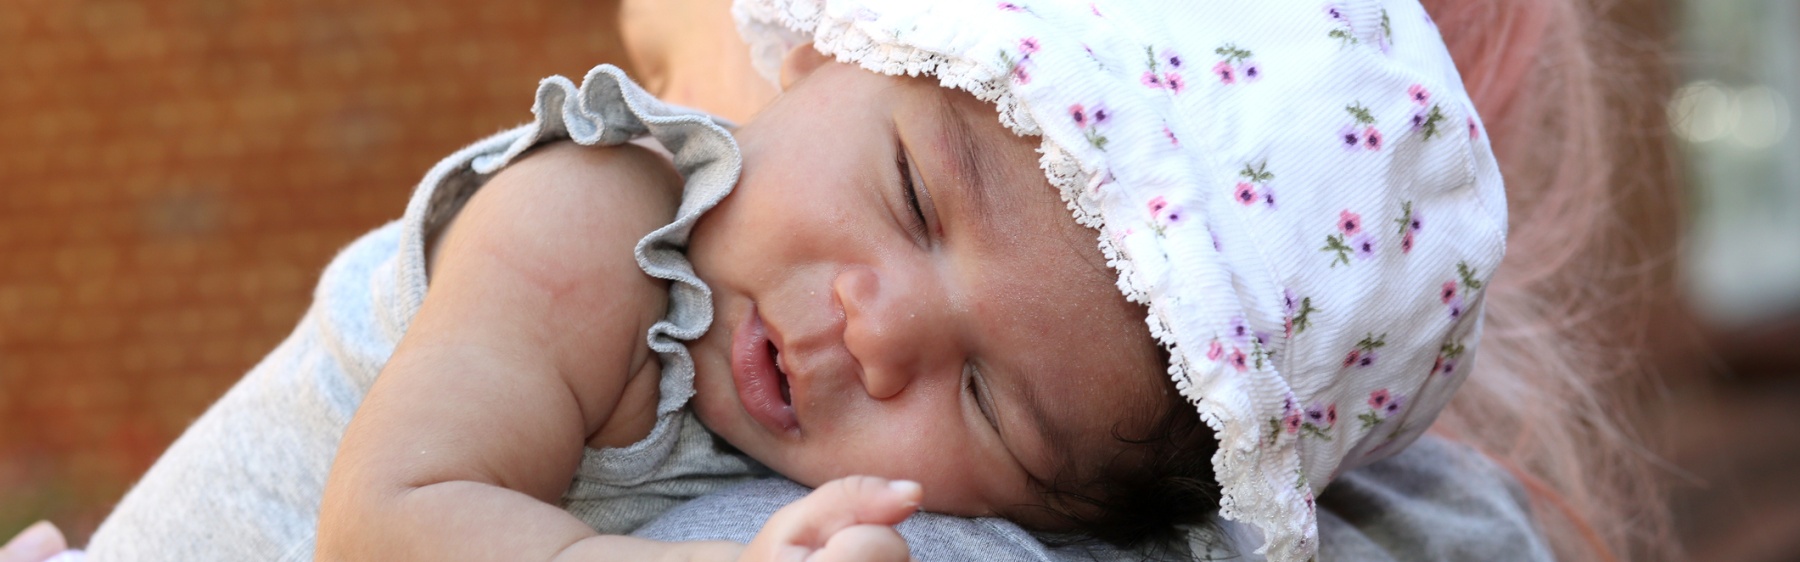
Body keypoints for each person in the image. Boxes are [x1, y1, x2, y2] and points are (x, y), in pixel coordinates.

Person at [8, 0, 1674, 560]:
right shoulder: (600, 214)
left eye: (990, 400)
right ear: (825, 56)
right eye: (911, 196)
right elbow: (392, 518)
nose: (879, 329)